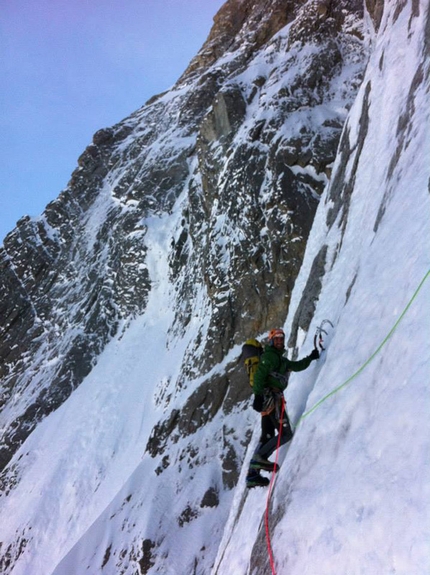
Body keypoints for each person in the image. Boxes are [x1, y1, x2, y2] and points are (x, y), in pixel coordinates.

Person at [246, 328, 319, 488]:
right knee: (285, 434)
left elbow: (297, 365)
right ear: (271, 341)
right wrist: (258, 395)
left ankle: (252, 475)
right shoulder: (270, 357)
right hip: (271, 399)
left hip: (267, 400)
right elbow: (259, 375)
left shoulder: (281, 360)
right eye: (277, 339)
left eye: (281, 338)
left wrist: (311, 358)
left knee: (266, 435)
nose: (280, 341)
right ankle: (260, 458)